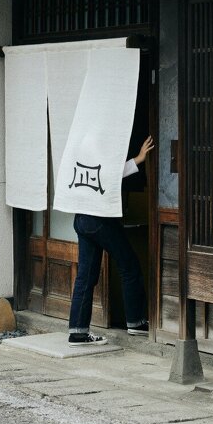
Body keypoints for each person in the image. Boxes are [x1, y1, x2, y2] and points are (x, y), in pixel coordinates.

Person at [68, 136, 155, 346]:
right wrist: (139, 159)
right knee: (129, 266)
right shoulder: (101, 149)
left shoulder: (78, 152)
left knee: (85, 277)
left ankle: (78, 332)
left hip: (81, 218)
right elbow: (110, 174)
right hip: (100, 219)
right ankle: (135, 322)